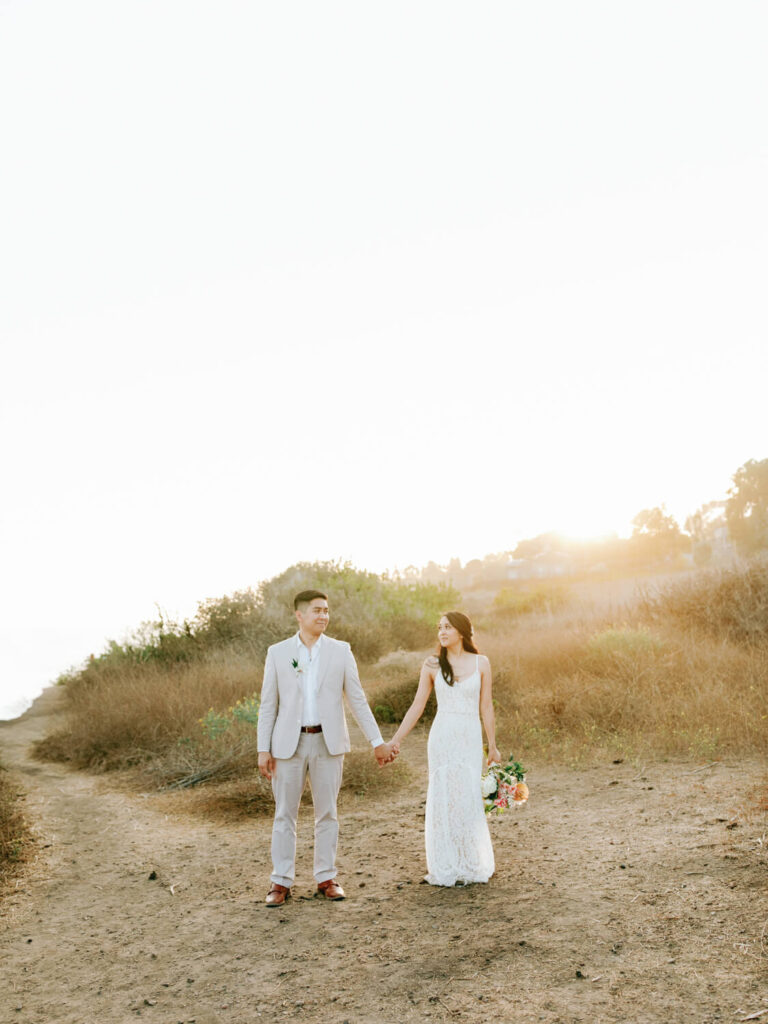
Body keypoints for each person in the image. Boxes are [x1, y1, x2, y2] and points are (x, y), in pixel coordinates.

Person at [257, 589, 397, 906]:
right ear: (299, 615)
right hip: (286, 747)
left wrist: (377, 742)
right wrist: (262, 749)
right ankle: (280, 882)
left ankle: (326, 877)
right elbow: (268, 705)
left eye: (326, 610)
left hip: (328, 743)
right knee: (284, 815)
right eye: (317, 610)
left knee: (328, 814)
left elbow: (357, 700)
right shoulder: (277, 653)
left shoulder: (341, 651)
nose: (323, 616)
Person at [389, 611, 499, 886]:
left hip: (469, 736)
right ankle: (446, 862)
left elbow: (486, 706)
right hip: (443, 736)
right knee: (444, 795)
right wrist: (396, 740)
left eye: (447, 627)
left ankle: (471, 861)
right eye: (439, 627)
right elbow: (418, 706)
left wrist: (493, 747)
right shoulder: (431, 665)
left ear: (461, 631)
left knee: (468, 795)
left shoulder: (481, 663)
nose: (442, 632)